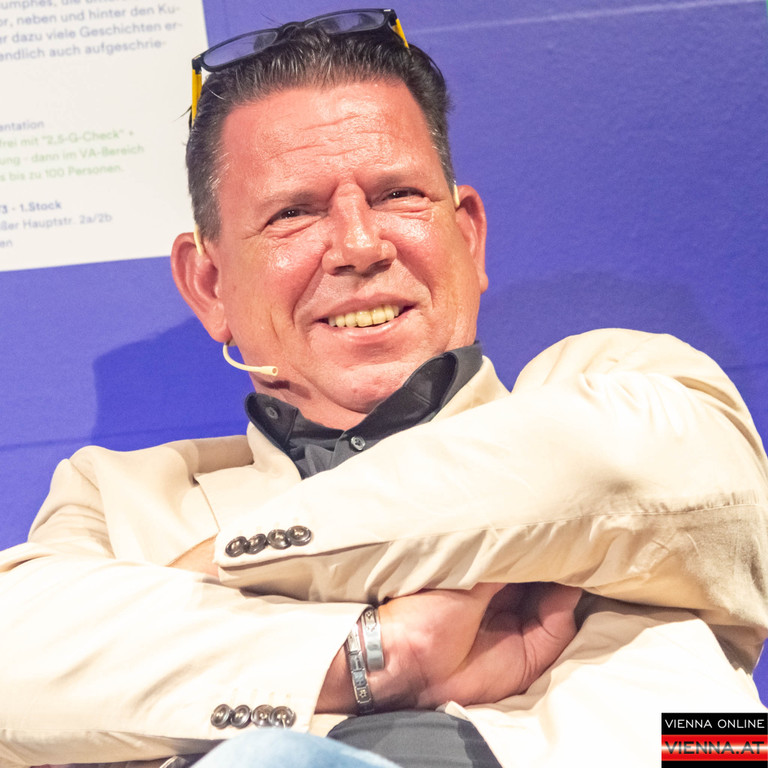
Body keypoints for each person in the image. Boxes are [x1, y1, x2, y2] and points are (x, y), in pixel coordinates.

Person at [1, 8, 767, 768]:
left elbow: (620, 470)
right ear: (210, 285)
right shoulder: (120, 499)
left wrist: (211, 576)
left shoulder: (618, 381)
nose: (361, 245)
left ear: (468, 236)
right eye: (292, 213)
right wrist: (373, 655)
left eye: (398, 195)